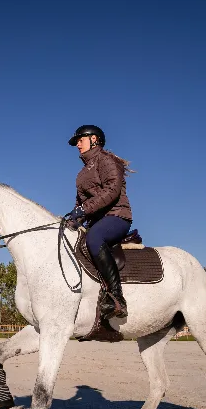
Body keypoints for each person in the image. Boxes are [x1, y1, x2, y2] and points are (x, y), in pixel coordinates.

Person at [64, 125, 134, 319]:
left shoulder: (107, 160)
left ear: (94, 139)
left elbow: (112, 190)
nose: (77, 144)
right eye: (77, 142)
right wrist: (75, 218)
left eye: (80, 140)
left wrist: (84, 210)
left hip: (117, 216)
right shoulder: (82, 173)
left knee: (94, 238)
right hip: (95, 220)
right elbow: (80, 203)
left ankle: (117, 297)